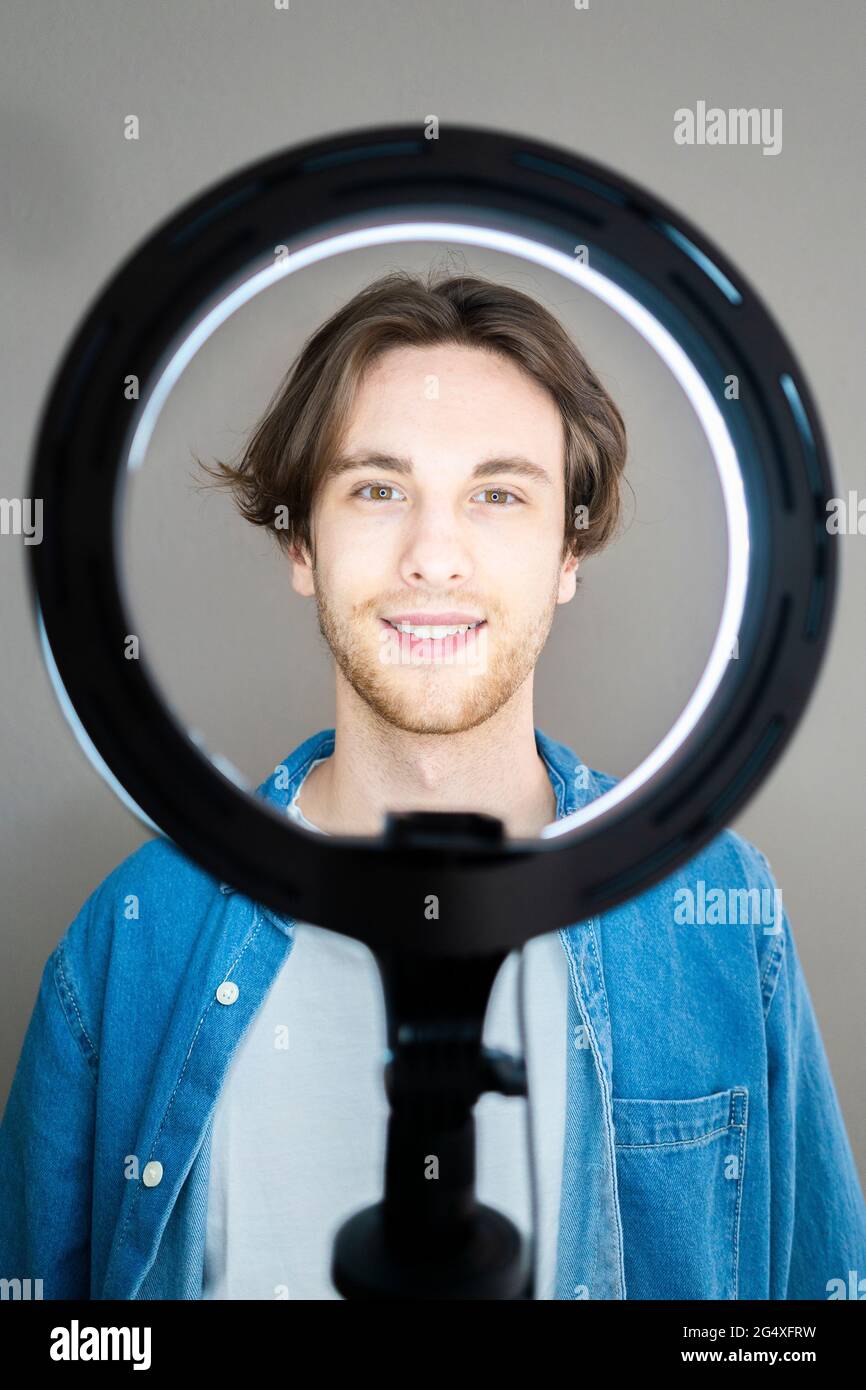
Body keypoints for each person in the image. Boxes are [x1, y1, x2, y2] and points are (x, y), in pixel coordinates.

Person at [1, 270, 864, 1301]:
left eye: (498, 493)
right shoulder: (134, 936)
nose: (434, 557)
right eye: (378, 488)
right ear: (300, 542)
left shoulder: (716, 912)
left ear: (568, 551)